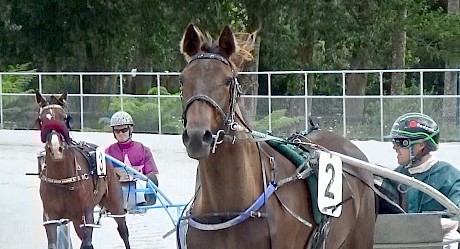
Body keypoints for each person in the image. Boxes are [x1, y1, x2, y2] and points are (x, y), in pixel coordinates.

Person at [382, 112, 460, 249]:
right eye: (394, 142)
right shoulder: (394, 177)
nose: (394, 147)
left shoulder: (450, 177)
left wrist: (431, 225)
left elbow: (456, 217)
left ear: (420, 145)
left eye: (401, 142)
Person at [105, 111, 159, 209]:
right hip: (115, 191)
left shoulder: (143, 150)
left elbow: (152, 174)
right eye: (117, 131)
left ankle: (145, 201)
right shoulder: (108, 152)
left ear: (130, 129)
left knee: (151, 179)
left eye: (124, 130)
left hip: (138, 190)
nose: (121, 133)